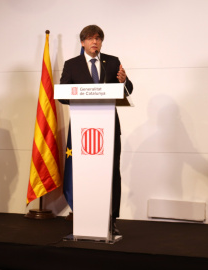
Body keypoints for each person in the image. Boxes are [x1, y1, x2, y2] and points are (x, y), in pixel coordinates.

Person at [59, 25, 134, 235]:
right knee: (84, 172)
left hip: (109, 126)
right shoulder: (71, 64)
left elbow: (127, 90)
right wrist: (82, 93)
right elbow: (64, 94)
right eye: (91, 39)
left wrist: (124, 81)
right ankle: (84, 215)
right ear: (82, 42)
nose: (95, 42)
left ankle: (111, 219)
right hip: (83, 127)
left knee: (112, 172)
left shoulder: (111, 61)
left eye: (98, 39)